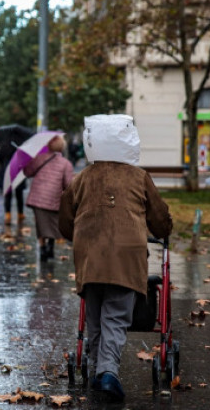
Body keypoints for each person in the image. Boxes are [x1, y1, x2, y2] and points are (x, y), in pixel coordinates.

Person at [58, 136, 173, 402]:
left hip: (90, 259)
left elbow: (65, 221)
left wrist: (79, 233)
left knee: (96, 319)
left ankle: (100, 370)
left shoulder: (83, 178)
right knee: (116, 318)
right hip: (126, 259)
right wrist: (165, 228)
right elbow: (159, 220)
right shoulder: (139, 176)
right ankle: (108, 373)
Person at [23, 135, 73, 260]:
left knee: (41, 224)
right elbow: (68, 184)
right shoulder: (66, 164)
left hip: (38, 196)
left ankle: (42, 247)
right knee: (52, 223)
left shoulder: (39, 158)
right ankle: (50, 245)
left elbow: (28, 172)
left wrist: (27, 162)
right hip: (54, 198)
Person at [0, 141, 26, 225]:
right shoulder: (20, 146)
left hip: (6, 172)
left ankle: (8, 215)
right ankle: (20, 214)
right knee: (19, 194)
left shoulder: (3, 146)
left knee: (8, 194)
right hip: (18, 172)